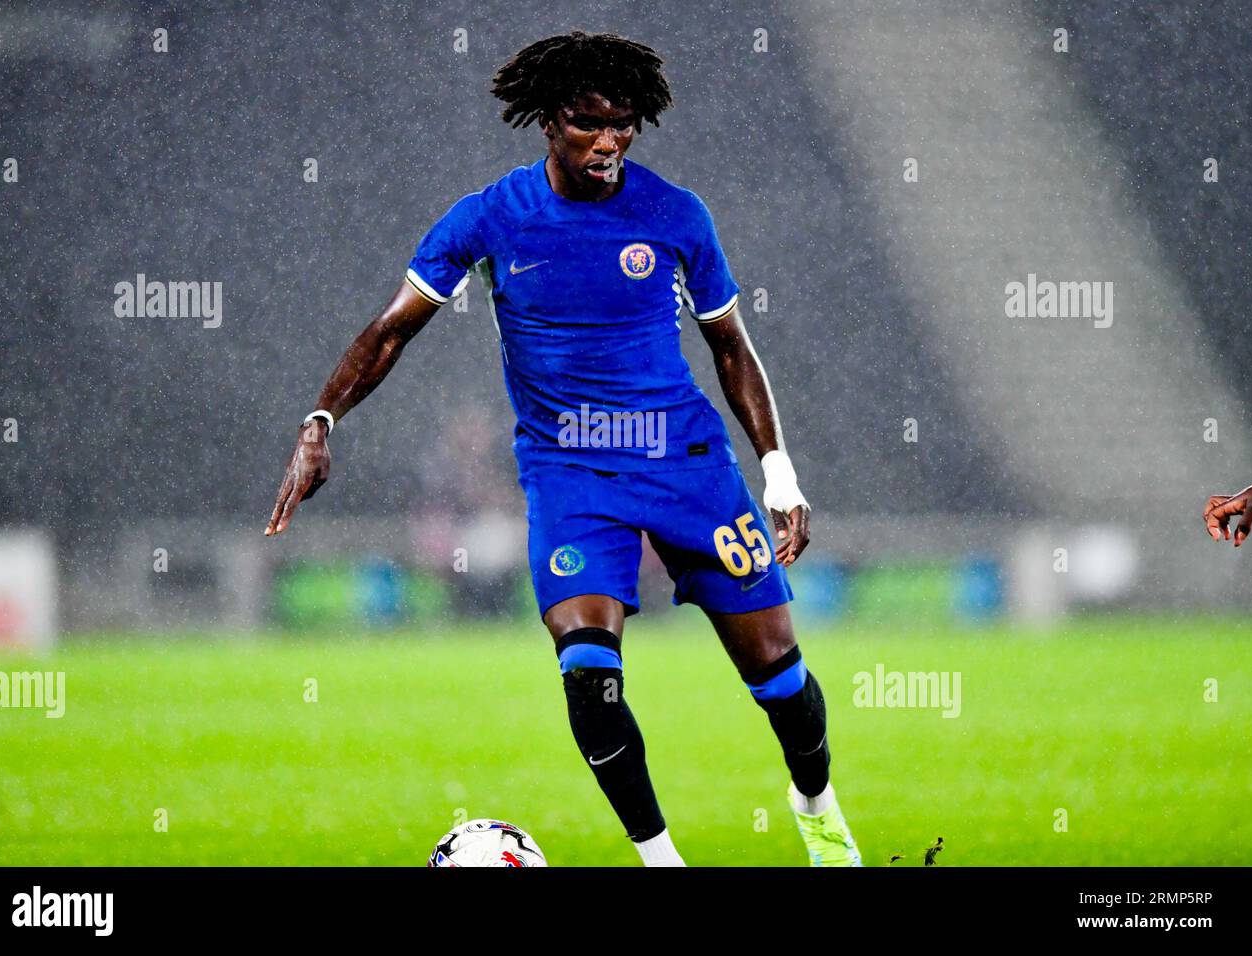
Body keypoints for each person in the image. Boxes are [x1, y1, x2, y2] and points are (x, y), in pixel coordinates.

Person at [264, 30, 860, 867]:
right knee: (588, 671)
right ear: (548, 121)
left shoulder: (675, 215)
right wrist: (319, 420)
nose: (609, 141)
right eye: (589, 123)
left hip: (685, 463)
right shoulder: (491, 219)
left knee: (779, 679)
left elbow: (731, 346)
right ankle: (662, 860)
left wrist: (780, 473)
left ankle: (816, 804)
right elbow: (392, 329)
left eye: (623, 125)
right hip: (570, 473)